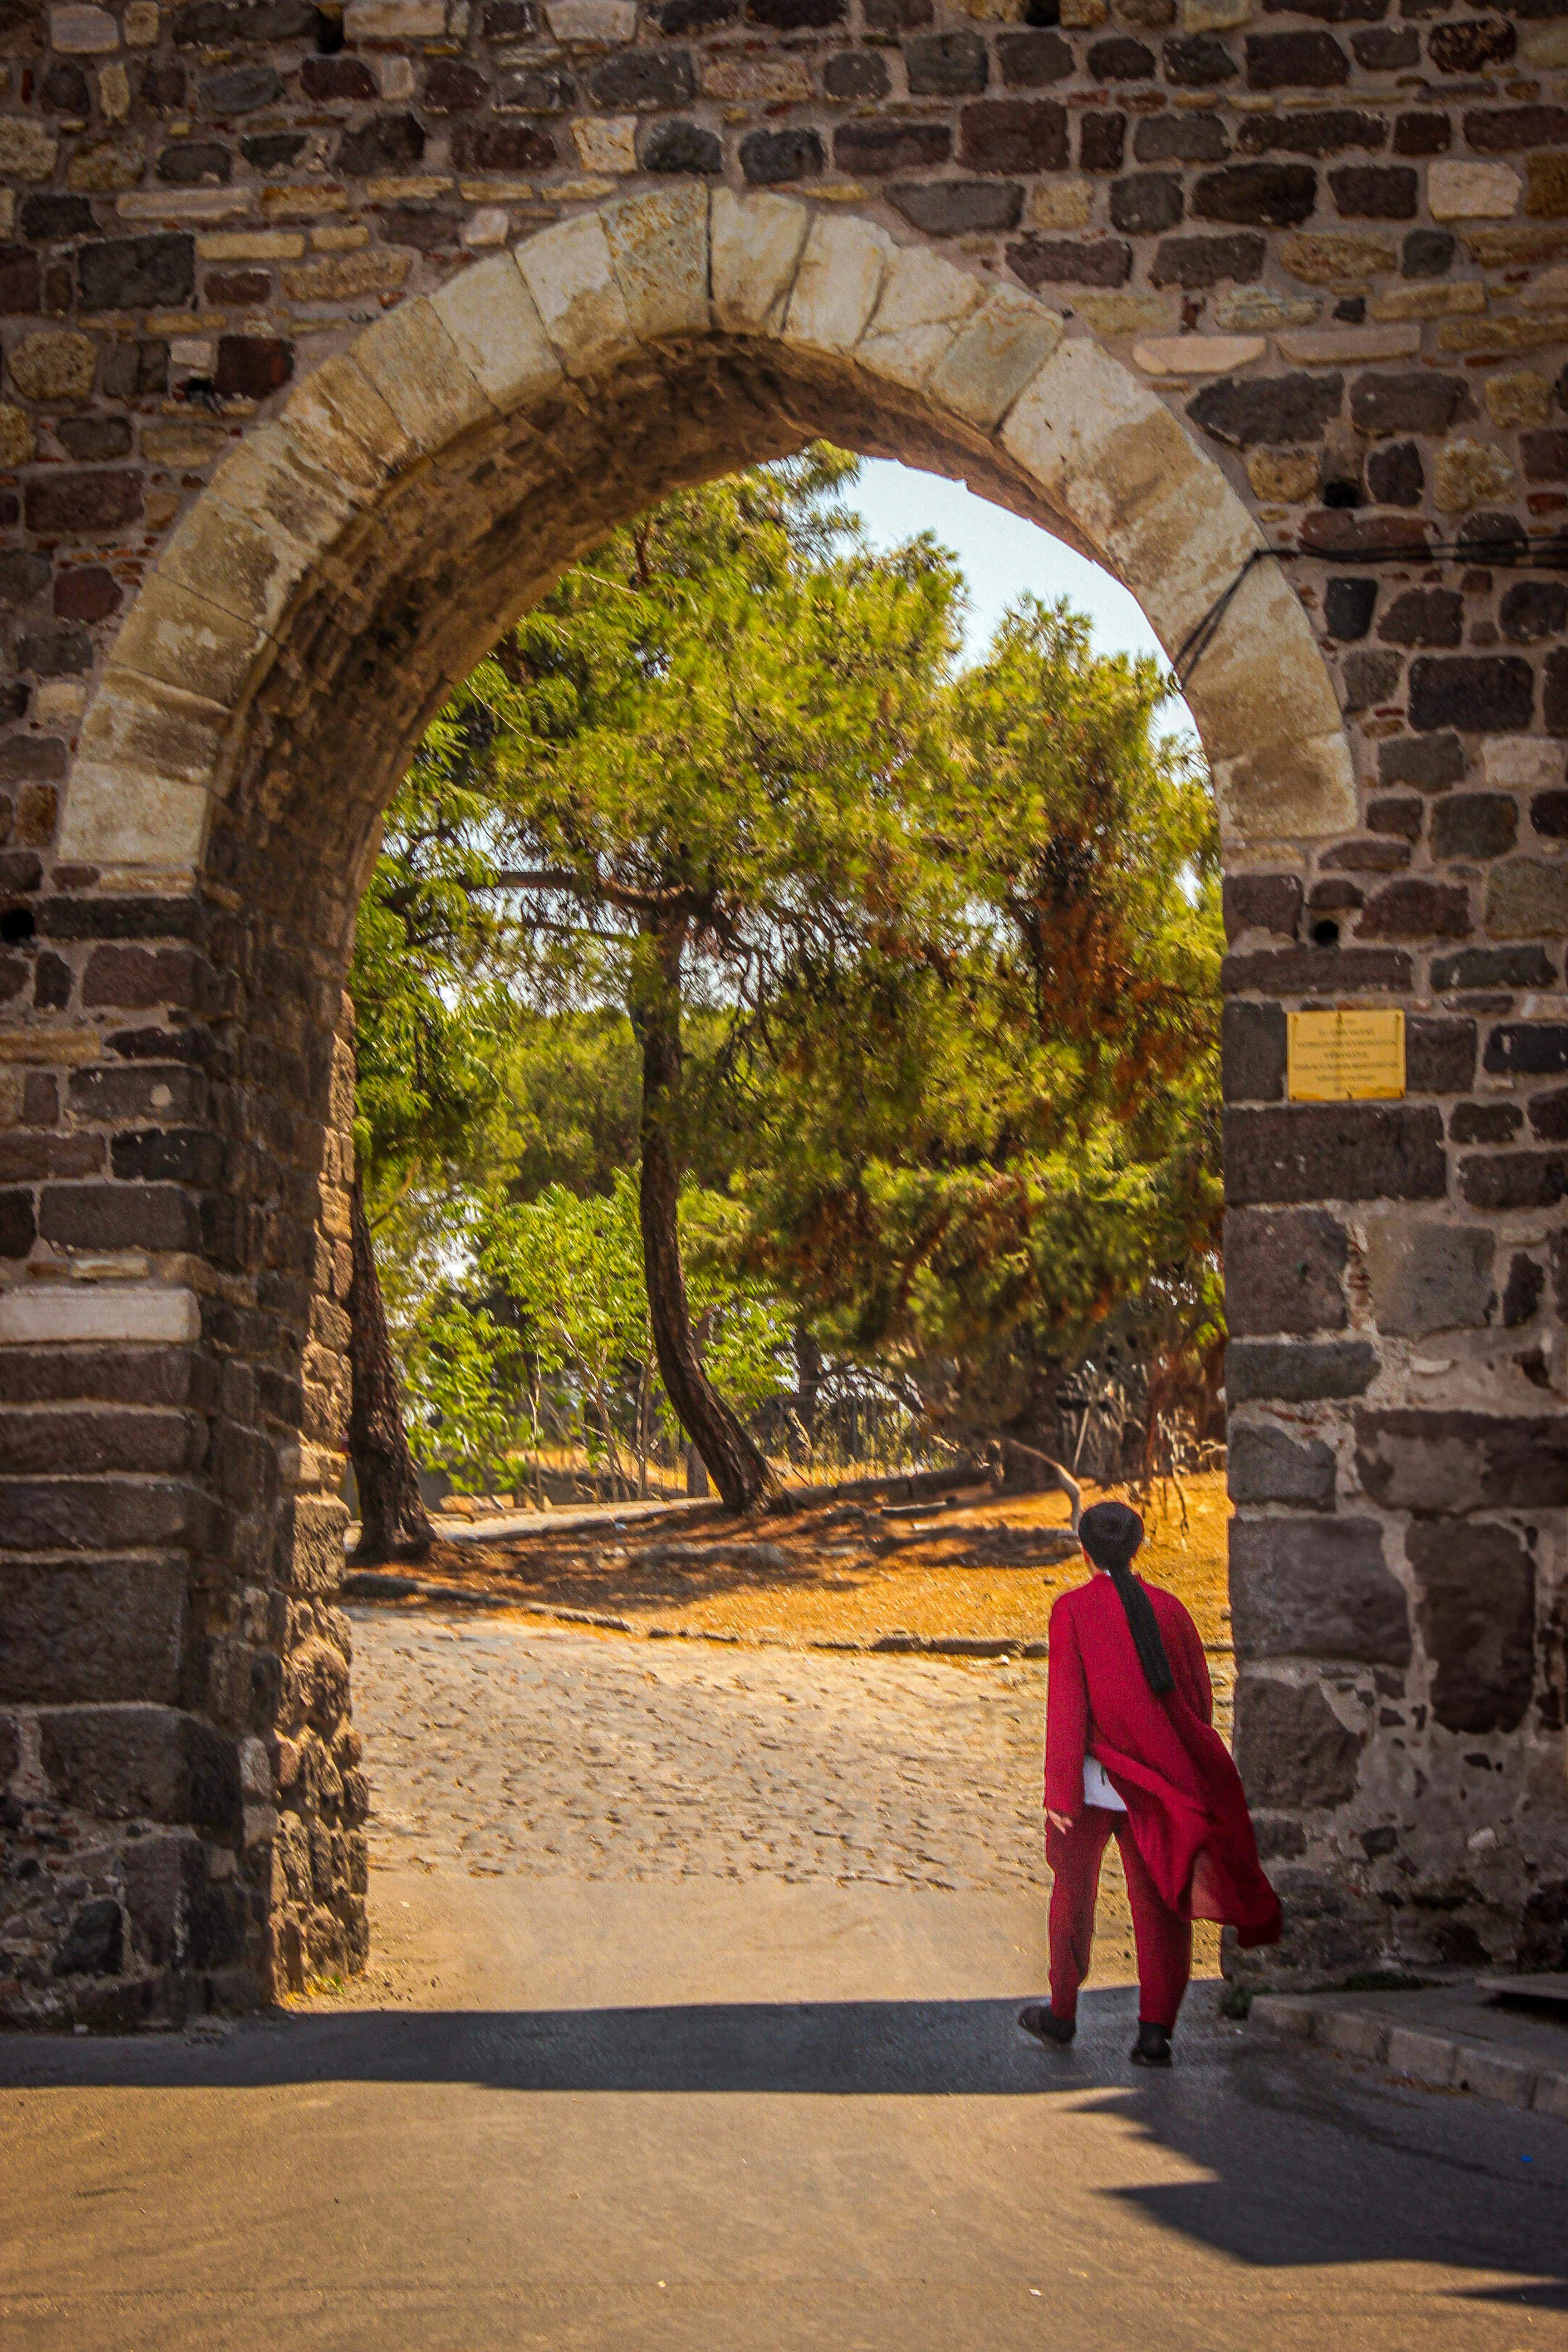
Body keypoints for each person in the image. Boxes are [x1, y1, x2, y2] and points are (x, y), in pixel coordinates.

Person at [1019, 1497, 1281, 2068]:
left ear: (1083, 1550)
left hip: (1090, 1786)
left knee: (1073, 1893)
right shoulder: (1172, 1611)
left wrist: (1060, 1793)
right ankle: (1155, 2032)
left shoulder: (1073, 1610)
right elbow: (1197, 1697)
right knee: (1161, 1901)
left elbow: (1067, 1705)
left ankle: (1062, 2011)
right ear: (1137, 1549)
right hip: (1157, 1780)